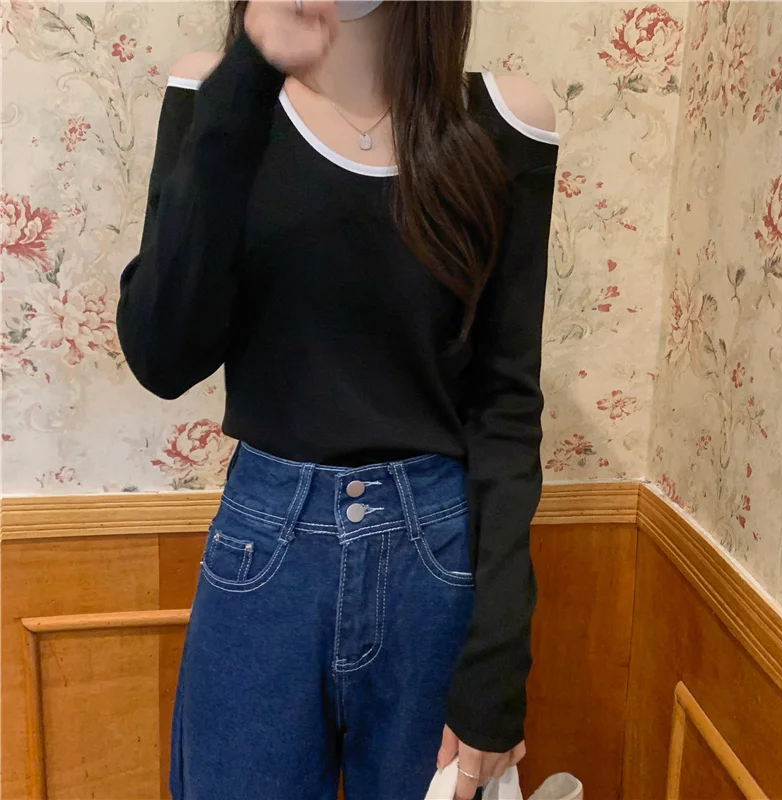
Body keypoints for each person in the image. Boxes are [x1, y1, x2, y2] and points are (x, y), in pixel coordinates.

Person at [117, 1, 558, 798]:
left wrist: (498, 665)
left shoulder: (502, 122)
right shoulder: (217, 95)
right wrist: (250, 76)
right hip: (264, 556)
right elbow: (162, 355)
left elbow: (505, 402)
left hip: (437, 563)